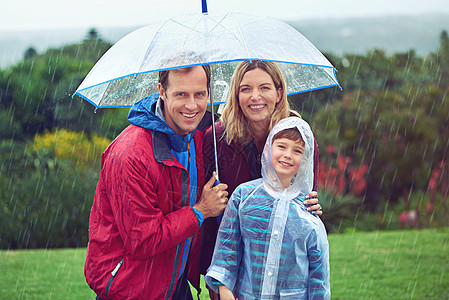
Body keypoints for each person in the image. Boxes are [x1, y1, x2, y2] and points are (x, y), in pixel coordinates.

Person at [84, 65, 229, 300]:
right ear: (162, 91)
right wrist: (201, 211)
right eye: (181, 94)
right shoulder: (129, 155)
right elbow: (143, 240)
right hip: (132, 288)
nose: (192, 105)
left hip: (174, 285)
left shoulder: (197, 137)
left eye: (199, 94)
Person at [201, 61, 322, 291]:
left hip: (281, 270)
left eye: (264, 88)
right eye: (246, 89)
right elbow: (209, 219)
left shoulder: (299, 139)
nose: (255, 96)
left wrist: (310, 206)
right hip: (229, 264)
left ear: (278, 93)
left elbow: (302, 203)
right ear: (236, 95)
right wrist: (220, 284)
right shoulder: (216, 139)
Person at [205, 117, 330, 299]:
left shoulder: (308, 210)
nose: (288, 154)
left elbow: (319, 277)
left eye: (297, 151)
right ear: (268, 148)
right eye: (281, 146)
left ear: (305, 160)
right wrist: (224, 290)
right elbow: (227, 251)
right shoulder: (243, 197)